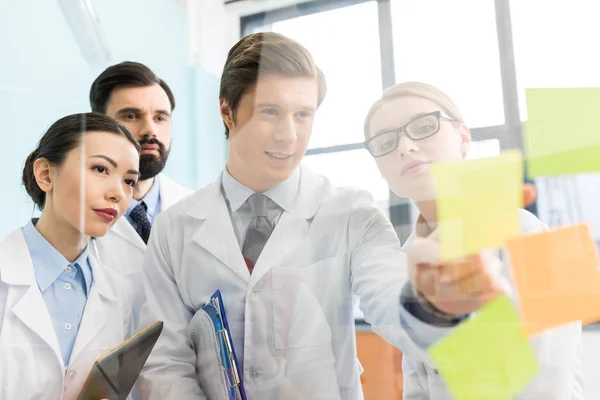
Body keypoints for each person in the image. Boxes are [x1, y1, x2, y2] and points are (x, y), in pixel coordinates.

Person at [134, 32, 498, 400]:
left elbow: (389, 293)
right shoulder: (174, 228)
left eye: (303, 115)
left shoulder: (353, 213)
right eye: (270, 112)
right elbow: (164, 363)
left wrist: (436, 308)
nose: (288, 136)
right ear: (228, 112)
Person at [363, 81, 584, 399]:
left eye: (425, 127)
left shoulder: (530, 233)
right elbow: (418, 382)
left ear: (463, 137)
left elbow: (549, 384)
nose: (405, 146)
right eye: (385, 141)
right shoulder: (409, 255)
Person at [0, 113, 144, 399]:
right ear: (45, 174)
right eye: (101, 169)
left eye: (129, 181)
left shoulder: (124, 292)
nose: (118, 193)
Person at [90, 62, 193, 274]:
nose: (150, 130)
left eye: (160, 118)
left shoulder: (198, 210)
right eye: (131, 116)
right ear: (98, 125)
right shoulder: (76, 216)